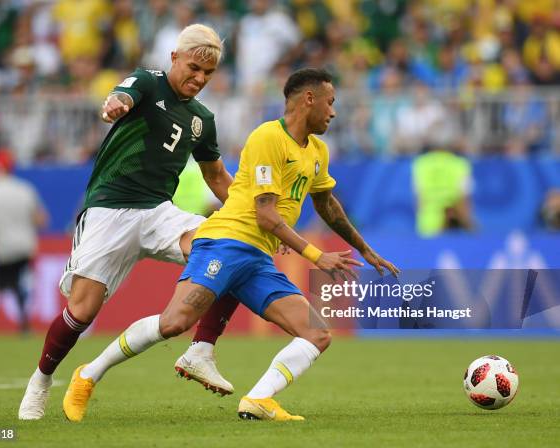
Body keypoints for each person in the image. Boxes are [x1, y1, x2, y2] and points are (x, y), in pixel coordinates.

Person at [63, 68, 399, 421]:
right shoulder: (268, 138)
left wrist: (363, 248)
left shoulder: (317, 151)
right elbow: (266, 215)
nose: (333, 112)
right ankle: (89, 373)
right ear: (308, 99)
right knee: (175, 322)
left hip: (256, 257)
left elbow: (327, 204)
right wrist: (317, 255)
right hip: (225, 242)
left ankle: (258, 399)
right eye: (330, 103)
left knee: (317, 334)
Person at [18, 24, 239, 420]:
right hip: (110, 209)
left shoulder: (202, 119)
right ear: (174, 58)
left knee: (231, 246)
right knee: (81, 313)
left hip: (158, 211)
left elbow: (217, 177)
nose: (199, 79)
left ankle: (202, 349)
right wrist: (114, 105)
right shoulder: (148, 81)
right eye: (193, 67)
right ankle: (41, 380)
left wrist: (256, 219)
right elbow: (120, 95)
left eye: (208, 74)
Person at [0, 148, 48, 333]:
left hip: (4, 248)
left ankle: (6, 319)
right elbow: (41, 219)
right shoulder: (25, 189)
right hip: (26, 246)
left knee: (1, 285)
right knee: (18, 284)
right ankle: (24, 319)